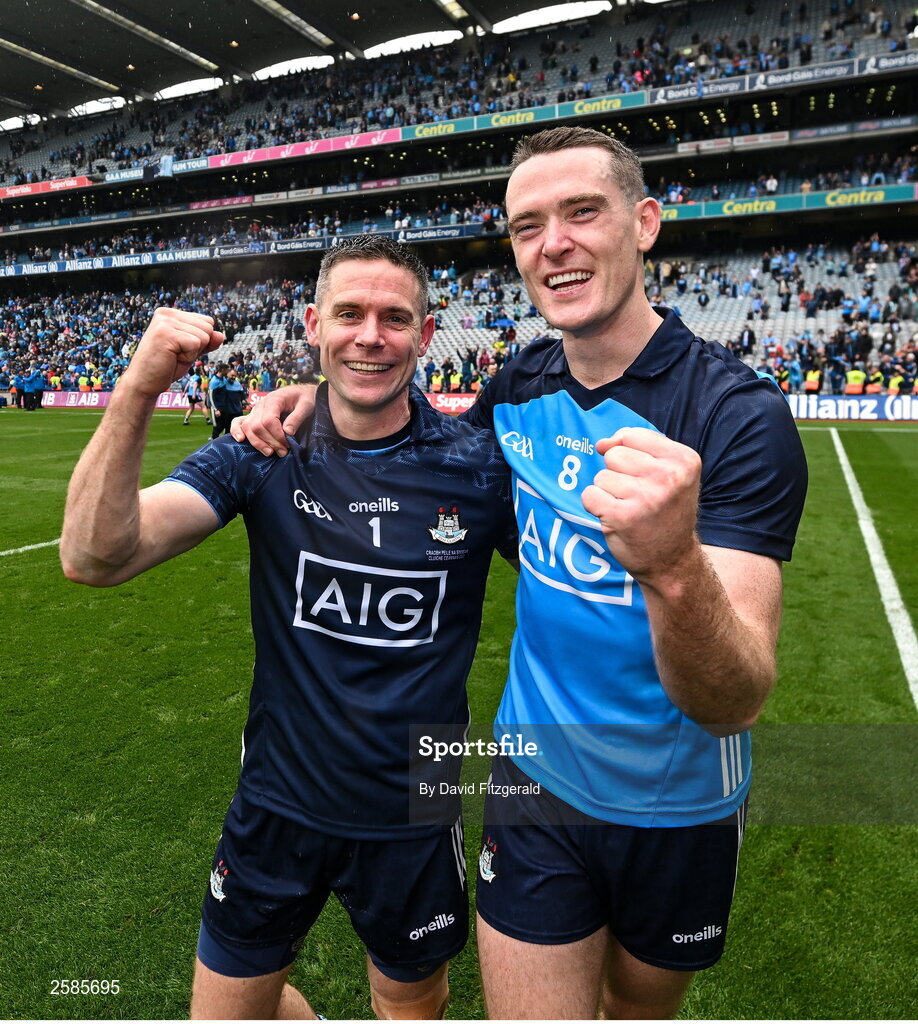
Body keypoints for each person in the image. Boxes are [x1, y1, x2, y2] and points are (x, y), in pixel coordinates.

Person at [232, 126, 808, 1020]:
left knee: (638, 1009)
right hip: (531, 778)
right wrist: (319, 396)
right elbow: (419, 431)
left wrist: (672, 566)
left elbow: (734, 700)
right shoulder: (521, 385)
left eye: (583, 212)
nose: (555, 244)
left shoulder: (738, 415)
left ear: (645, 222)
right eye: (527, 224)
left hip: (681, 799)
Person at [60, 235, 517, 1020]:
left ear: (428, 333)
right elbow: (95, 556)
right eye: (348, 313)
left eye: (394, 318)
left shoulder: (480, 468)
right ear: (312, 324)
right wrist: (137, 385)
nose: (370, 335)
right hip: (276, 804)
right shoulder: (261, 449)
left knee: (411, 1006)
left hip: (412, 812)